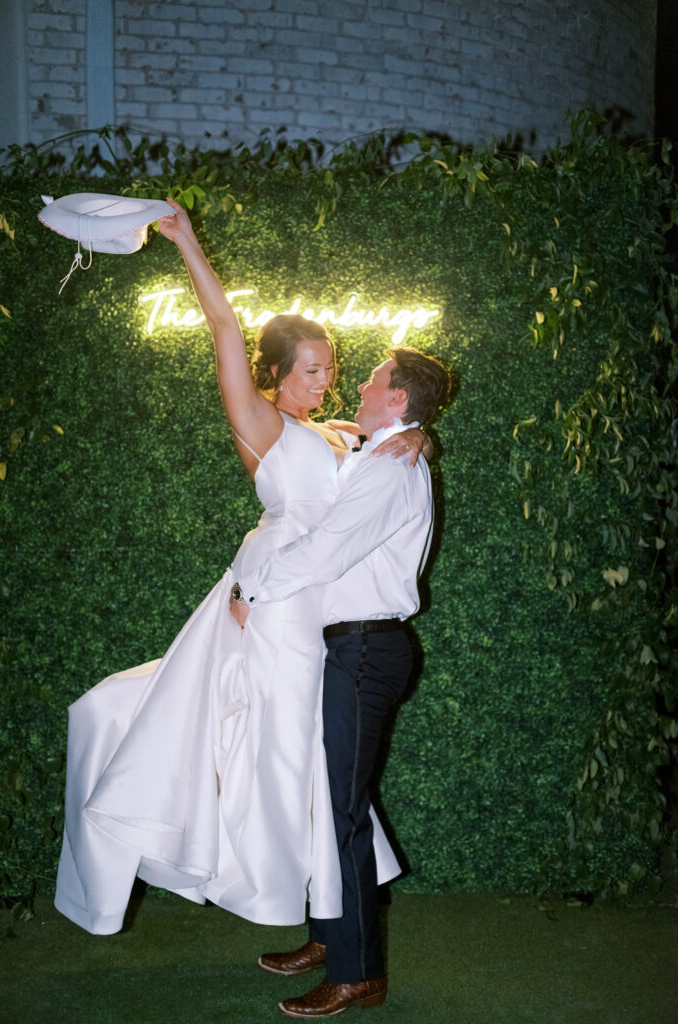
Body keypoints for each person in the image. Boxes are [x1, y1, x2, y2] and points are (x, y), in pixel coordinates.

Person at [54, 199, 431, 934]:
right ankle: (289, 903)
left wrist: (421, 441)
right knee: (267, 753)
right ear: (279, 371)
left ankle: (324, 919)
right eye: (314, 370)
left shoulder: (341, 434)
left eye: (334, 370)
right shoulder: (259, 421)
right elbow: (224, 327)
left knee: (302, 762)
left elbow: (396, 446)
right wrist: (188, 243)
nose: (327, 382)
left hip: (313, 608)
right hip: (269, 603)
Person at [230, 347, 452, 1018]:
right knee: (327, 799)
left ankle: (359, 974)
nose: (358, 383)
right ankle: (330, 938)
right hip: (352, 647)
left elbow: (327, 549)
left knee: (342, 811)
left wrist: (252, 587)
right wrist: (423, 435)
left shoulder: (388, 469)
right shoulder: (381, 450)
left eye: (374, 378)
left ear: (397, 400)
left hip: (364, 649)